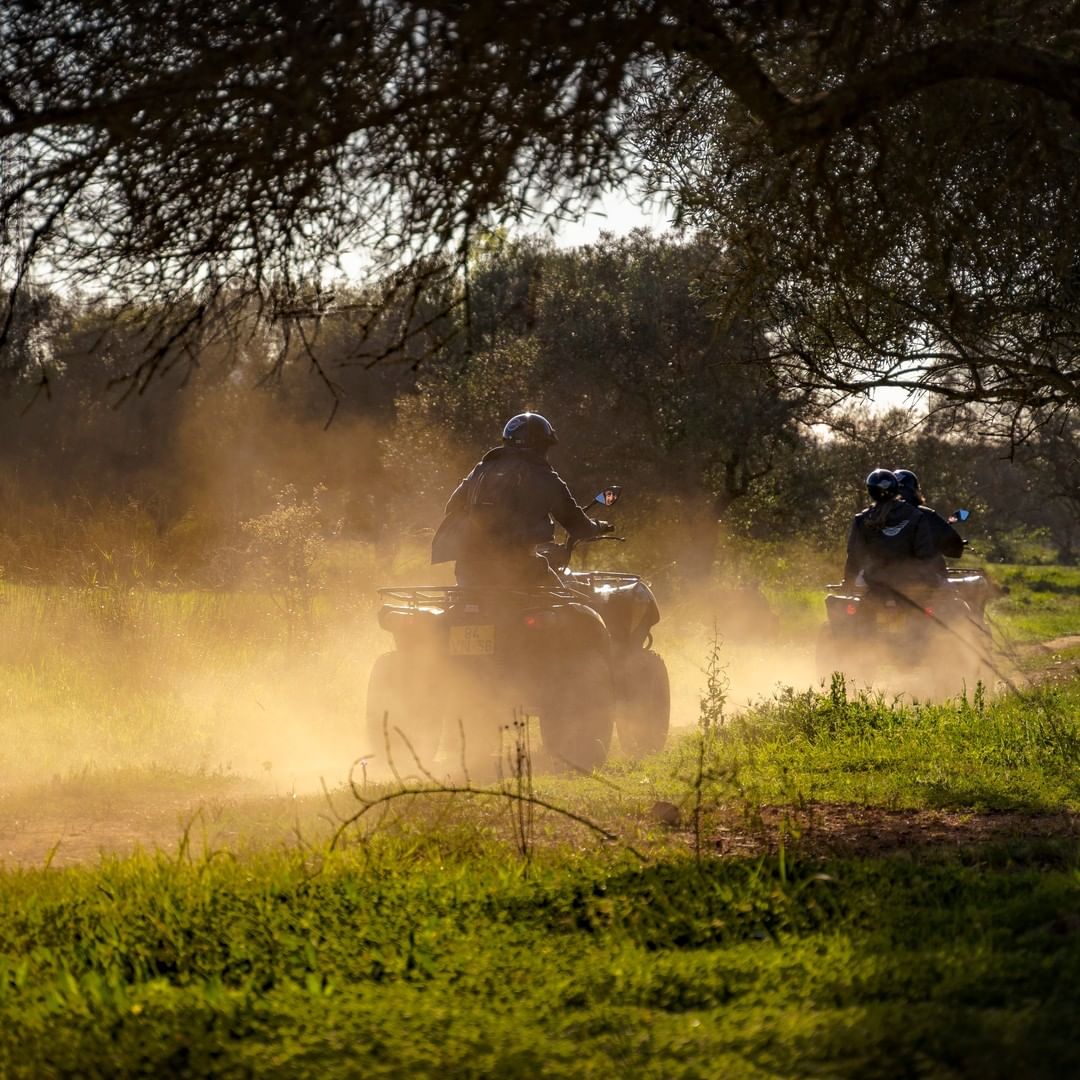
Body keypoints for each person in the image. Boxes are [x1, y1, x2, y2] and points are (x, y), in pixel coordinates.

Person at [431, 412, 609, 587]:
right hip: (519, 569)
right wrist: (595, 527)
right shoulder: (545, 477)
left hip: (468, 569)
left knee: (462, 608)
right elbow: (577, 524)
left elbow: (452, 506)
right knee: (567, 604)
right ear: (541, 447)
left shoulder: (481, 470)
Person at [843, 468, 940, 592]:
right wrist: (931, 581)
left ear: (871, 491)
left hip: (874, 582)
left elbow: (854, 556)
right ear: (896, 488)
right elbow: (925, 554)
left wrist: (847, 582)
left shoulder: (862, 519)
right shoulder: (916, 515)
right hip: (911, 584)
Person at [893, 468, 965, 573]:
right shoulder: (926, 515)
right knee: (956, 588)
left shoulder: (871, 516)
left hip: (880, 579)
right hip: (925, 578)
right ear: (915, 491)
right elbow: (954, 548)